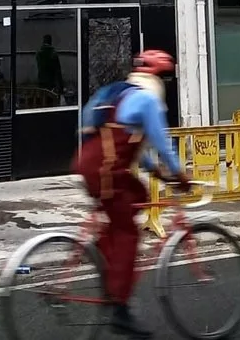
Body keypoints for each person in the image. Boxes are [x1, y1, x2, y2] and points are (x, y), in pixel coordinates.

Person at [73, 48, 191, 337]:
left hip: (90, 162)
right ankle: (119, 307)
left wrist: (155, 172)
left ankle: (108, 272)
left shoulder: (117, 93)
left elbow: (130, 145)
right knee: (129, 233)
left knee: (130, 203)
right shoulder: (147, 100)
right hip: (107, 171)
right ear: (158, 78)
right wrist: (178, 175)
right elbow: (162, 144)